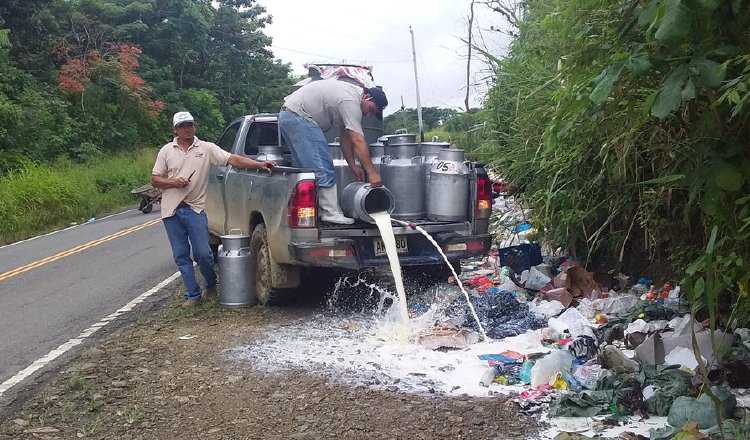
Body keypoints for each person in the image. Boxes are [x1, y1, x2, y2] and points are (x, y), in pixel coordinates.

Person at [151, 111, 275, 307]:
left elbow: (232, 159)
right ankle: (193, 295)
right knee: (181, 255)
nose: (187, 129)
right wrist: (174, 182)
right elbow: (155, 179)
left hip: (195, 209)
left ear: (195, 126)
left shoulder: (206, 148)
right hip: (171, 210)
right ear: (175, 129)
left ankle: (210, 284)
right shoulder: (166, 151)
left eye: (190, 125)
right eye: (183, 126)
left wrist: (259, 165)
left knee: (204, 254)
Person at [278, 79, 388, 224]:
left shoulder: (349, 97)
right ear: (367, 97)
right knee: (324, 167)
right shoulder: (350, 100)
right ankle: (330, 213)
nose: (368, 114)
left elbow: (345, 137)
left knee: (309, 172)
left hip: (289, 115)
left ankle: (315, 211)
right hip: (300, 116)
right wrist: (372, 173)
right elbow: (358, 140)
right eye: (371, 109)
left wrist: (352, 165)